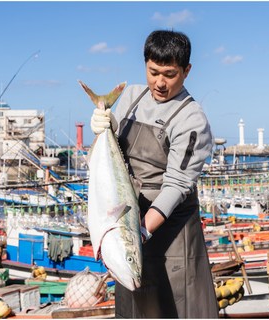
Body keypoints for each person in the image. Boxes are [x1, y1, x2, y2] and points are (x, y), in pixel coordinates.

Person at [90, 30, 219, 318]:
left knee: (175, 308)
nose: (159, 83)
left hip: (170, 230)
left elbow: (176, 185)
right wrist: (103, 125)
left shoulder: (192, 119)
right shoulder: (132, 97)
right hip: (129, 211)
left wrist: (139, 232)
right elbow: (110, 158)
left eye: (170, 74)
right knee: (135, 305)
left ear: (187, 71)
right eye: (153, 72)